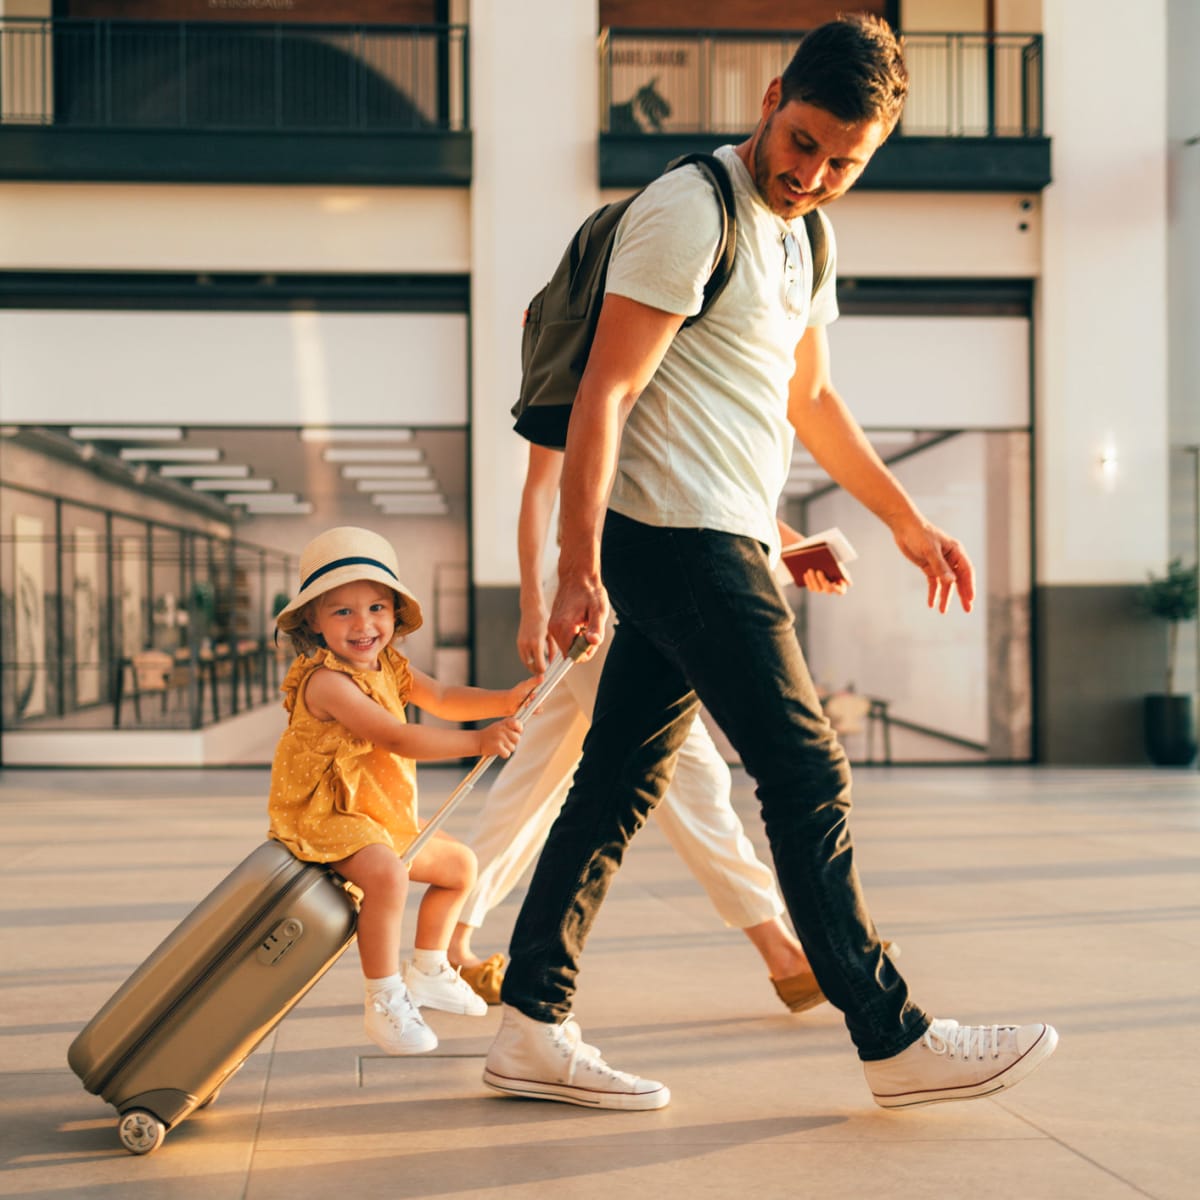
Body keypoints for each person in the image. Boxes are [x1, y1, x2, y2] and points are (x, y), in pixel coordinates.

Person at [482, 14, 1058, 1112]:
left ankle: (529, 1021)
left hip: (723, 538)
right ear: (770, 96)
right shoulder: (690, 211)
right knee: (804, 773)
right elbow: (607, 393)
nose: (813, 173)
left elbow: (808, 400)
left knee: (614, 784)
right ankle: (891, 1035)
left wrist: (898, 520)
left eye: (846, 161)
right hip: (676, 539)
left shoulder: (808, 238)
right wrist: (571, 563)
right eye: (802, 142)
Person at [449, 441, 854, 1013]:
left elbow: (692, 484)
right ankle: (781, 955)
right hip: (595, 594)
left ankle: (448, 939)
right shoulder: (586, 362)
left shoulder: (663, 379)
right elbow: (540, 489)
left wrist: (791, 548)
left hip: (635, 585)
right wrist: (533, 603)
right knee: (690, 773)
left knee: (536, 778)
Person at [270, 526, 536, 1056]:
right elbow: (395, 737)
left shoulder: (390, 666)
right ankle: (382, 997)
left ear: (394, 614)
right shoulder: (327, 682)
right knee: (387, 874)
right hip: (327, 815)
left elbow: (443, 697)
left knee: (460, 866)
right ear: (313, 623)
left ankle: (432, 967)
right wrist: (479, 741)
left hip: (376, 815)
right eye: (341, 611)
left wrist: (505, 700)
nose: (363, 624)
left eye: (376, 607)